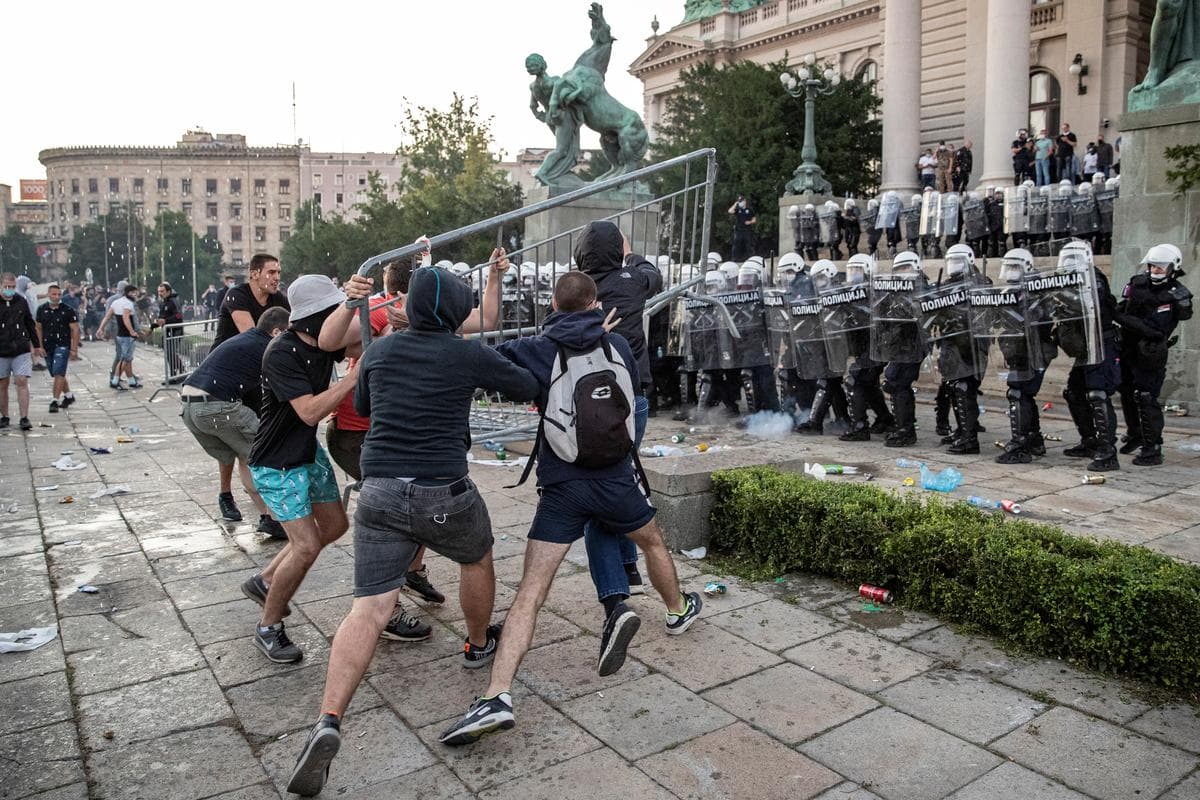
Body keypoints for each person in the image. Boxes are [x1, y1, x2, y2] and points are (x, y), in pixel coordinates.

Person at [283, 265, 540, 796]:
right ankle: (474, 644)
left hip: (377, 491)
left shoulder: (379, 351)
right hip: (442, 489)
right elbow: (525, 384)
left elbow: (363, 407)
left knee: (369, 607)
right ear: (453, 312)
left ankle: (328, 719)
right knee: (477, 557)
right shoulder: (465, 353)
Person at [436, 271, 702, 750]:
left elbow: (490, 366)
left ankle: (497, 695)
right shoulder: (615, 344)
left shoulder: (539, 348)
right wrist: (600, 330)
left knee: (531, 593)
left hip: (563, 488)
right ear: (595, 303)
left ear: (553, 306)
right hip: (618, 479)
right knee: (652, 543)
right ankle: (677, 610)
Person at [241, 275, 357, 664]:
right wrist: (354, 379)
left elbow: (359, 338)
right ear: (313, 317)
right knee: (306, 545)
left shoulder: (324, 343)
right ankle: (268, 626)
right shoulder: (282, 351)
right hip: (277, 464)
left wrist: (388, 310)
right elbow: (308, 412)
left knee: (336, 526)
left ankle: (266, 578)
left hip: (306, 454)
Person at [574, 221, 662, 599]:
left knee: (610, 481)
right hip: (632, 398)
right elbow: (652, 275)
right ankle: (626, 569)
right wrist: (629, 254)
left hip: (587, 400)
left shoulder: (575, 289)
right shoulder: (631, 280)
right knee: (621, 475)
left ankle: (622, 576)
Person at [181, 306, 290, 539]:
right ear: (277, 332)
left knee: (247, 455)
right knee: (264, 454)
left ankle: (267, 517)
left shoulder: (245, 340)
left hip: (189, 406)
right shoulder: (268, 347)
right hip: (216, 405)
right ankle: (273, 518)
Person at [1116, 244, 1193, 466]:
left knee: (1146, 396)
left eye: (1161, 268)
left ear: (1172, 268)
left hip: (1150, 352)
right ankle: (1135, 434)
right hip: (1128, 347)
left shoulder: (1176, 295)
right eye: (1153, 266)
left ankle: (1153, 447)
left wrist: (1121, 318)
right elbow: (1125, 306)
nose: (1155, 271)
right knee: (1127, 393)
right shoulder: (1137, 283)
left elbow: (1155, 330)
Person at [1058, 242, 1122, 472]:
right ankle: (1090, 441)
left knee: (1098, 394)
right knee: (1074, 392)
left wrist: (1063, 296)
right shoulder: (1064, 280)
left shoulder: (1094, 278)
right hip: (1085, 344)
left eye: (1074, 257)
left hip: (1101, 342)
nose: (1069, 262)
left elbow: (1090, 302)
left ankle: (1107, 452)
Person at [212, 255, 288, 350]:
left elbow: (294, 323)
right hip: (226, 359)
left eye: (278, 272)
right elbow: (251, 337)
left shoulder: (278, 297)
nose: (277, 277)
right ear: (255, 274)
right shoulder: (237, 295)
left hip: (252, 356)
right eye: (271, 272)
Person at [0, 273, 39, 430]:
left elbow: (29, 323)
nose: (9, 290)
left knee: (22, 380)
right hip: (1, 350)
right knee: (2, 384)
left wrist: (36, 345)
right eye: (6, 287)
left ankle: (24, 417)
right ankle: (5, 416)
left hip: (21, 348)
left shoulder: (21, 301)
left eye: (12, 287)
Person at [35, 284, 80, 414]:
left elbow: (75, 329)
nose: (56, 297)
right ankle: (69, 396)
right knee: (55, 372)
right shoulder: (41, 309)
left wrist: (74, 349)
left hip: (63, 344)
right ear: (48, 294)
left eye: (59, 294)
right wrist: (39, 346)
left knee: (59, 372)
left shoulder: (68, 310)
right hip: (48, 345)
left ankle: (55, 400)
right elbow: (38, 328)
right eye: (54, 294)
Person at [98, 283, 142, 390]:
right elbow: (126, 318)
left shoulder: (115, 302)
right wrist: (132, 331)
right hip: (127, 335)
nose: (135, 295)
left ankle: (131, 381)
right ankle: (115, 380)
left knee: (127, 358)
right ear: (127, 293)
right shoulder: (128, 304)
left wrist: (101, 328)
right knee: (124, 359)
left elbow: (107, 317)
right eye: (133, 293)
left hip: (120, 334)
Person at [154, 282, 185, 382]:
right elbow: (162, 316)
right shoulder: (163, 302)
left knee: (171, 353)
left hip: (176, 331)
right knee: (169, 354)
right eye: (159, 291)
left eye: (162, 291)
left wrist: (166, 321)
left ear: (168, 291)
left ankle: (179, 373)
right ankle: (175, 374)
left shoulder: (173, 301)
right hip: (167, 331)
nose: (160, 293)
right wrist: (155, 323)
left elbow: (179, 316)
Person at [728, 195, 757, 262]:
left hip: (747, 230)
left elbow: (754, 219)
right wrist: (735, 204)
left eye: (741, 201)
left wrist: (749, 222)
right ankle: (734, 259)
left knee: (748, 245)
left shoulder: (750, 210)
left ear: (745, 201)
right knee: (736, 245)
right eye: (739, 201)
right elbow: (730, 211)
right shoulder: (738, 210)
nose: (740, 202)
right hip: (738, 231)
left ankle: (751, 259)